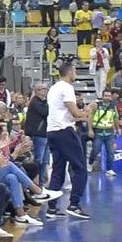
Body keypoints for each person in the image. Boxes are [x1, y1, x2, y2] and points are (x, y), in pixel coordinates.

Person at [43, 57, 93, 220]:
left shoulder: (53, 88)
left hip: (52, 131)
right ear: (70, 71)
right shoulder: (67, 87)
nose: (76, 73)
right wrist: (89, 109)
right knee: (80, 168)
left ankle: (51, 207)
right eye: (75, 70)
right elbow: (75, 113)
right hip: (64, 132)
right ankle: (74, 204)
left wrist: (80, 115)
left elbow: (68, 115)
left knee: (58, 169)